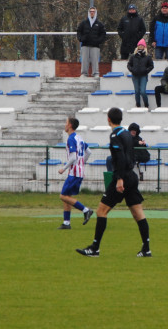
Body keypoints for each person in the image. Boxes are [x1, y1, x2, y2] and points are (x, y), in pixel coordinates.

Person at [76, 107, 151, 258]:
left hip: (123, 177)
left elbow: (121, 158)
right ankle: (146, 249)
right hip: (132, 176)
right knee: (138, 213)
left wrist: (119, 179)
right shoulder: (126, 133)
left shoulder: (115, 135)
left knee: (101, 211)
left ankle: (95, 248)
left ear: (108, 119)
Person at [56, 117, 94, 229]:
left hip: (74, 172)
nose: (65, 125)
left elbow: (72, 158)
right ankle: (66, 223)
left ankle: (86, 210)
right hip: (79, 171)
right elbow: (89, 152)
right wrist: (82, 164)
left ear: (70, 125)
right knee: (67, 196)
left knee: (63, 196)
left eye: (66, 123)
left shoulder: (71, 139)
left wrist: (63, 168)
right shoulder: (79, 138)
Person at [76, 6, 106, 77]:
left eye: (93, 11)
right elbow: (79, 32)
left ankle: (95, 73)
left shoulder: (99, 24)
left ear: (95, 13)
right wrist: (81, 39)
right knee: (84, 60)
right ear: (88, 13)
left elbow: (103, 34)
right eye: (91, 11)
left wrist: (98, 41)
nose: (92, 13)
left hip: (95, 46)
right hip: (85, 45)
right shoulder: (83, 23)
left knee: (95, 60)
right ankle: (84, 73)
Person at [126, 39, 154, 108]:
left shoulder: (148, 56)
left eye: (142, 45)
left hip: (143, 76)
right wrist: (132, 70)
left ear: (144, 47)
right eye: (139, 45)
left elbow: (151, 66)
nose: (141, 46)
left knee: (143, 91)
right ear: (137, 46)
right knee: (137, 91)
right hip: (135, 76)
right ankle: (138, 105)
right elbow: (129, 65)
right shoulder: (133, 56)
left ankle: (146, 105)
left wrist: (146, 71)